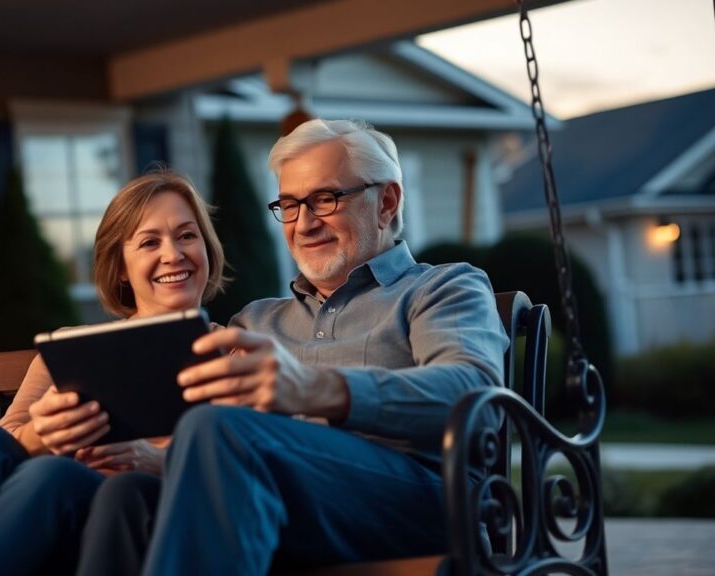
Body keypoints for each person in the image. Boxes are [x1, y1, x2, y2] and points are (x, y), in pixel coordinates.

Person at [118, 119, 510, 574]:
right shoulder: (256, 320)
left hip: (418, 505)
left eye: (325, 199)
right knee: (127, 494)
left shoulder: (442, 288)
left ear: (386, 201)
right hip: (288, 510)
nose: (304, 224)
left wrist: (317, 389)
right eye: (288, 205)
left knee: (220, 429)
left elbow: (473, 393)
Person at [0, 170, 226, 576]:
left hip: (137, 514)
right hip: (43, 519)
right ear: (121, 267)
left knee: (55, 475)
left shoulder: (234, 351)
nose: (173, 254)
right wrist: (43, 434)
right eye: (149, 242)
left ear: (206, 247)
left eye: (187, 235)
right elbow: (6, 443)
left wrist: (156, 458)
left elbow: (248, 460)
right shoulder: (72, 349)